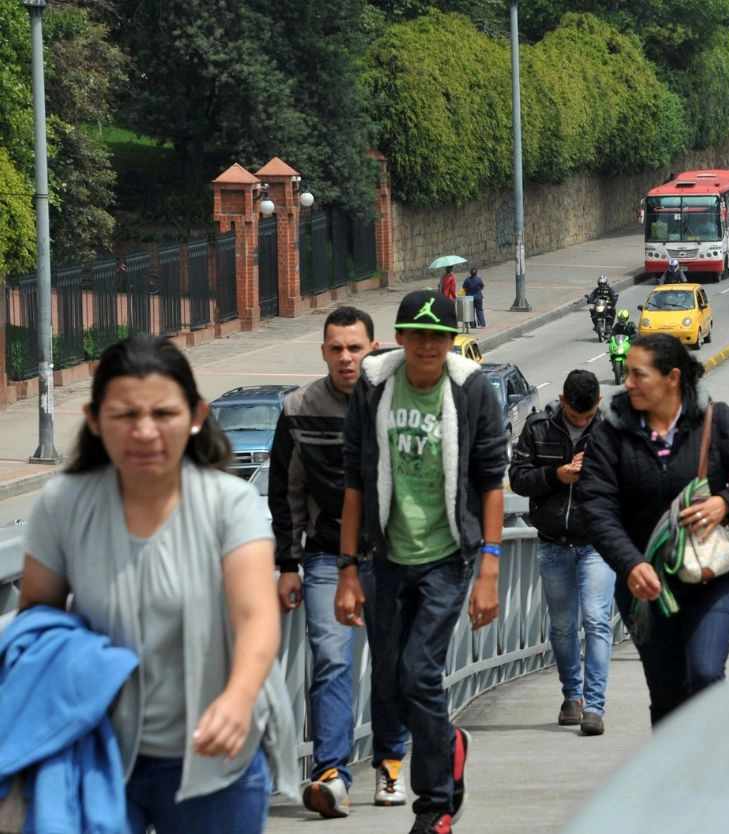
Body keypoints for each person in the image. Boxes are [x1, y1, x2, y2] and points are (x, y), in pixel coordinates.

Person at [18, 333, 296, 832]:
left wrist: (238, 698)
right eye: (125, 415)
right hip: (98, 758)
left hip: (215, 757)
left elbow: (256, 616)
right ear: (95, 421)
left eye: (163, 414)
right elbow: (37, 621)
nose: (145, 432)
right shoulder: (62, 504)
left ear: (195, 415)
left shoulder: (229, 503)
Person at [335, 289, 507, 834]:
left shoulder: (471, 391)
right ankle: (448, 743)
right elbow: (356, 481)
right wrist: (346, 569)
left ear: (452, 341)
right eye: (418, 334)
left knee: (418, 672)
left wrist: (490, 567)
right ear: (402, 338)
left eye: (440, 335)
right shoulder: (375, 387)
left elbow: (490, 482)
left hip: (448, 557)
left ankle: (433, 807)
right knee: (387, 685)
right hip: (387, 557)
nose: (428, 345)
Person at [579, 333, 729, 725]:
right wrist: (630, 563)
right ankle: (673, 782)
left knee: (705, 673)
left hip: (713, 575)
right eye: (627, 374)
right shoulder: (611, 434)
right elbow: (597, 507)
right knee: (668, 696)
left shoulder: (715, 421)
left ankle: (709, 773)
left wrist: (727, 503)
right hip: (647, 585)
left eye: (639, 374)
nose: (628, 383)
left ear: (672, 378)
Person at [268, 307, 410, 818]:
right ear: (323, 351)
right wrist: (288, 563)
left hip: (397, 556)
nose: (346, 358)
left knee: (393, 665)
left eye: (355, 347)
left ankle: (391, 764)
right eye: (336, 348)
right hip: (329, 554)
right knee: (332, 660)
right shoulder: (298, 409)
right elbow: (285, 492)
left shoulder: (401, 400)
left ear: (374, 347)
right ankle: (330, 774)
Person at [509, 369, 615, 737]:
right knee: (563, 626)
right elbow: (518, 478)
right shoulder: (538, 428)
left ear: (598, 404)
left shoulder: (611, 433)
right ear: (563, 401)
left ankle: (595, 705)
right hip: (553, 543)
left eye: (588, 417)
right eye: (574, 415)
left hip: (598, 545)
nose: (581, 421)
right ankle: (572, 696)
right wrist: (558, 475)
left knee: (598, 620)